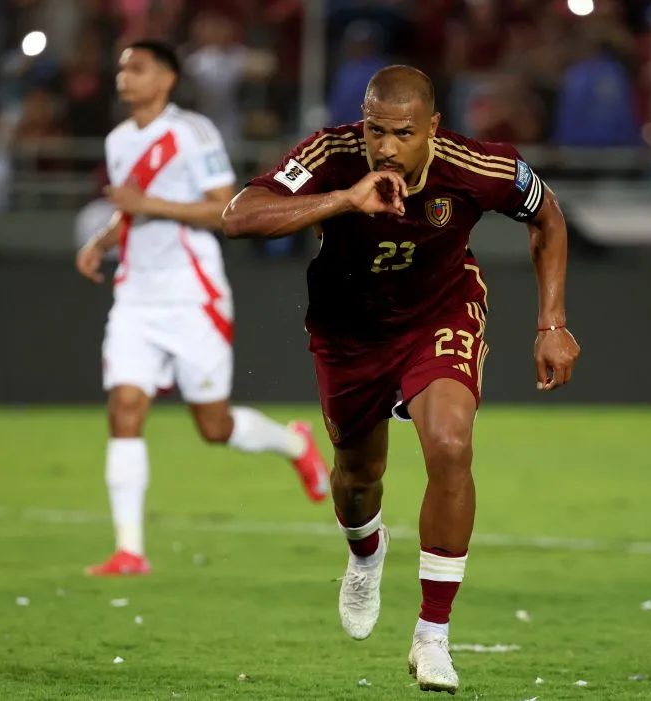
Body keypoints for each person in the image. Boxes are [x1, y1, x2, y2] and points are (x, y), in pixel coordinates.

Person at [222, 65, 580, 693]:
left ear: (433, 129)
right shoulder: (332, 154)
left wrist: (552, 322)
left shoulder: (478, 167)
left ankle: (432, 636)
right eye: (374, 129)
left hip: (438, 313)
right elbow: (240, 215)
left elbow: (548, 216)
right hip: (348, 330)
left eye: (402, 133)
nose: (385, 147)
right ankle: (366, 553)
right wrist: (344, 199)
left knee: (449, 445)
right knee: (358, 478)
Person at [76, 40, 330, 577]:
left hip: (193, 294)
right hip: (136, 296)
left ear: (167, 79)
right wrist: (102, 240)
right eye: (122, 69)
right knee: (124, 409)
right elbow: (133, 212)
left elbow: (225, 210)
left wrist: (147, 205)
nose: (126, 78)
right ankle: (130, 550)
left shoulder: (193, 132)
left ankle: (292, 442)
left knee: (213, 427)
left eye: (138, 68)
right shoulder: (119, 139)